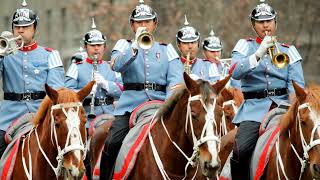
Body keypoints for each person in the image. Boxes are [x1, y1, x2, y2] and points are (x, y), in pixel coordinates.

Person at [99, 0, 184, 179]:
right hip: (130, 107)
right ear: (132, 24)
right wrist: (135, 46)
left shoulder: (167, 48)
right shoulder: (124, 45)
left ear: (155, 24)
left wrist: (168, 104)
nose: (143, 25)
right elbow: (115, 66)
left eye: (147, 21)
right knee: (112, 141)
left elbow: (175, 80)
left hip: (160, 104)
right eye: (139, 22)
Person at [230, 1, 305, 179]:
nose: (265, 25)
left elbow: (296, 86)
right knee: (241, 150)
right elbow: (235, 72)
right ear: (253, 25)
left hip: (283, 108)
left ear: (275, 22)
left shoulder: (289, 50)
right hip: (253, 110)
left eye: (269, 21)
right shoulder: (244, 46)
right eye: (260, 21)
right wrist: (257, 54)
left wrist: (292, 111)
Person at [0, 0, 65, 159]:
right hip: (10, 114)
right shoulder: (4, 55)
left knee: (67, 146)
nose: (21, 31)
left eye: (26, 27)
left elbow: (56, 90)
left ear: (34, 28)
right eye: (17, 27)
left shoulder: (50, 54)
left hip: (41, 111)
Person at [65, 18, 123, 125]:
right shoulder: (76, 67)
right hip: (86, 117)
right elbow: (68, 94)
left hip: (111, 116)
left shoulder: (112, 66)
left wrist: (106, 84)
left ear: (104, 47)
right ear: (85, 47)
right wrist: (86, 91)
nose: (96, 49)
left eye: (99, 45)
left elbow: (123, 89)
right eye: (92, 45)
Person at [176, 16, 219, 83]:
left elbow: (216, 90)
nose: (190, 46)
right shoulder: (170, 66)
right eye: (185, 43)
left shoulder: (209, 66)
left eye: (193, 42)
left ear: (198, 44)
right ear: (179, 46)